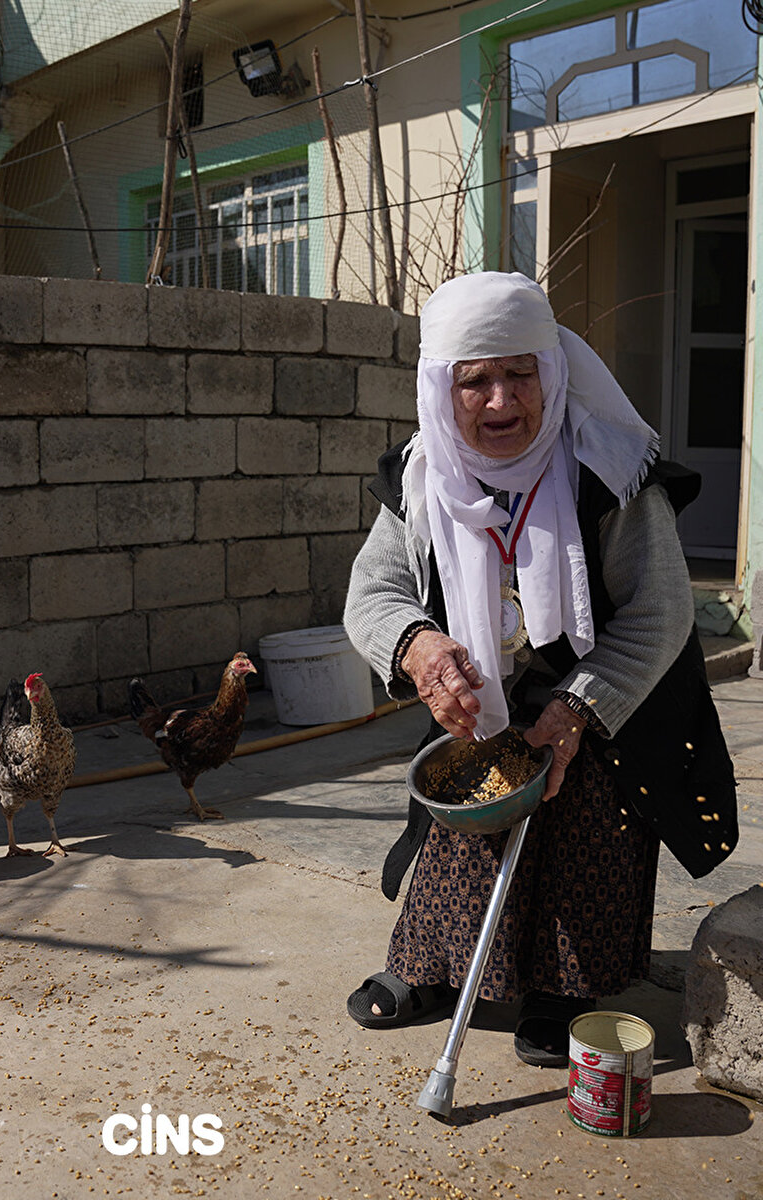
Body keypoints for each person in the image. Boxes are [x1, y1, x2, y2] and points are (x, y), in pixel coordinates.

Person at [342, 271, 737, 1067]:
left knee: (587, 815)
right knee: (465, 813)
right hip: (486, 701)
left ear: (551, 372)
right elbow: (372, 593)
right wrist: (422, 650)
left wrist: (576, 709)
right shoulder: (423, 475)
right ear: (440, 388)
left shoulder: (610, 469)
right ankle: (434, 966)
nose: (500, 401)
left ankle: (564, 990)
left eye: (519, 373)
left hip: (608, 700)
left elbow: (661, 612)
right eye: (474, 380)